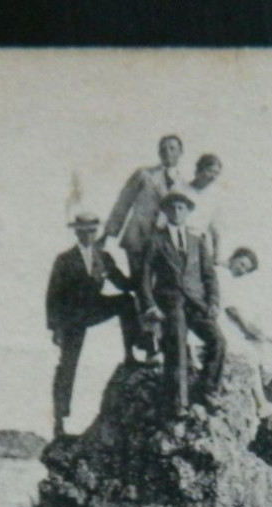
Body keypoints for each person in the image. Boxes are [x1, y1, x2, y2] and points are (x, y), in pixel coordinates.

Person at [44, 212, 139, 438]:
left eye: (91, 231)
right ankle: (59, 419)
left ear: (96, 232)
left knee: (127, 302)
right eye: (83, 231)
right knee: (68, 365)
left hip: (95, 307)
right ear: (76, 232)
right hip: (71, 317)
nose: (88, 235)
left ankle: (131, 353)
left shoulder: (104, 257)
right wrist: (55, 328)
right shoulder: (64, 260)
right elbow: (52, 296)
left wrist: (144, 272)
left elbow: (124, 284)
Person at [139, 191, 226, 414]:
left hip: (197, 303)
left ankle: (208, 391)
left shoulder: (197, 241)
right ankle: (179, 403)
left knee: (218, 341)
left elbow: (209, 276)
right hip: (170, 303)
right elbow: (144, 277)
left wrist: (214, 301)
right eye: (173, 208)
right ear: (165, 212)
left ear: (187, 212)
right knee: (176, 344)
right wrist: (150, 305)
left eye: (181, 208)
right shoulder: (155, 241)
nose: (177, 212)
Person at [104, 134, 186, 276]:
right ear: (159, 153)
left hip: (164, 242)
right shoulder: (143, 174)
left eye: (172, 148)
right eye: (163, 149)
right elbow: (123, 203)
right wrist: (108, 233)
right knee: (140, 284)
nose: (167, 152)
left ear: (180, 152)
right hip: (138, 238)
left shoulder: (183, 184)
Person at [185, 154, 223, 257]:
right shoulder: (180, 189)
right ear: (199, 170)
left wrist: (216, 253)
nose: (212, 177)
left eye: (216, 173)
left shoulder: (214, 197)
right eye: (210, 171)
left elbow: (215, 228)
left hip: (198, 244)